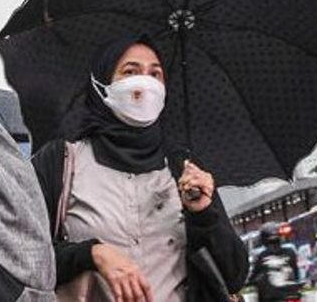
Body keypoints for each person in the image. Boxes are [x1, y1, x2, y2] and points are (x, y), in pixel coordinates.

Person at [31, 36, 249, 302]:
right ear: (102, 84)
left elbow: (233, 276)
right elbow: (24, 255)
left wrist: (203, 214)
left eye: (155, 74)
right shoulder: (61, 163)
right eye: (130, 72)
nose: (145, 83)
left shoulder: (183, 168)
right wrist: (92, 255)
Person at [250, 223, 301, 302]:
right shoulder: (290, 252)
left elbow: (253, 277)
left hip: (274, 297)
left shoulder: (262, 256)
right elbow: (296, 272)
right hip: (289, 294)